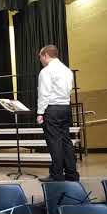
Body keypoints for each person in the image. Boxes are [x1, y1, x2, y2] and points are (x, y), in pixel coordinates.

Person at [36, 45, 79, 182]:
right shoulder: (67, 70)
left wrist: (40, 112)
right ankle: (72, 174)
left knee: (54, 143)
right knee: (66, 141)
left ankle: (57, 175)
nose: (40, 60)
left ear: (46, 55)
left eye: (40, 57)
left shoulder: (46, 71)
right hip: (65, 107)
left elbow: (44, 93)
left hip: (52, 109)